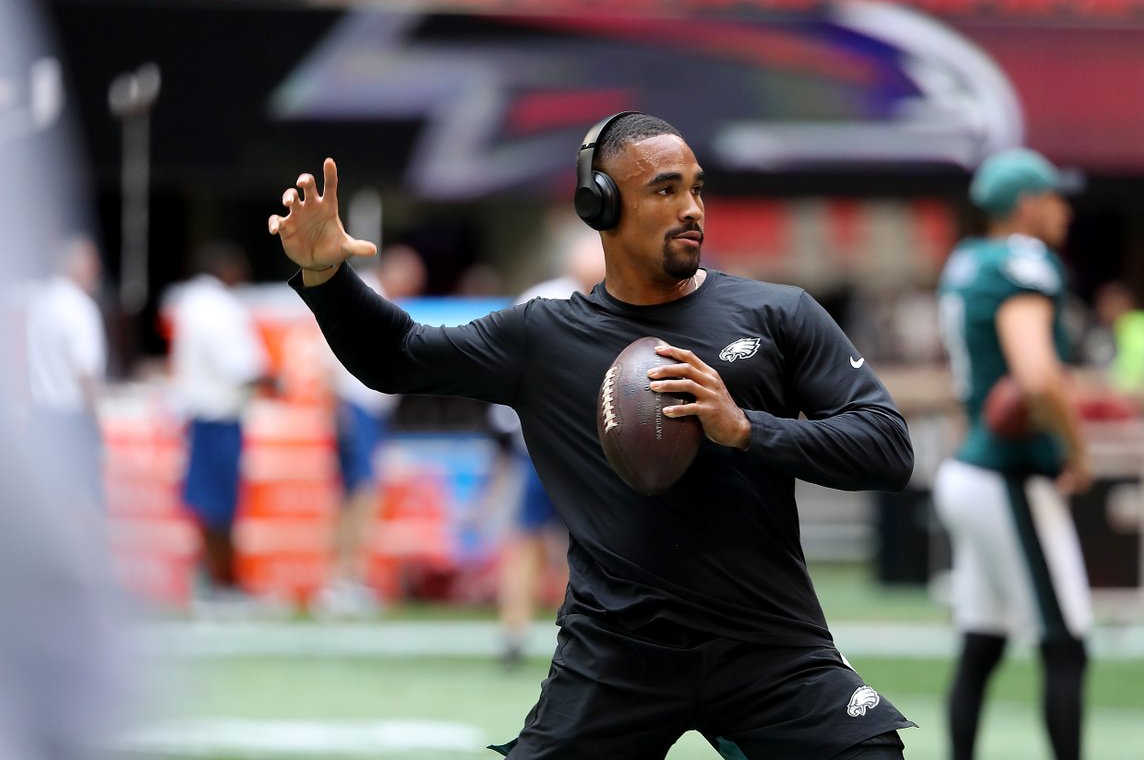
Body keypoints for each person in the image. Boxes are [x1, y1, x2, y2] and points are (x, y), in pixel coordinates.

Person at [268, 111, 916, 759]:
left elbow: (886, 448)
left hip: (769, 645)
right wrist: (327, 279)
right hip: (614, 656)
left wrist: (746, 428)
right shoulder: (541, 337)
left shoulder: (777, 313)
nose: (692, 208)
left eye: (697, 188)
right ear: (599, 203)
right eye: (665, 190)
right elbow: (397, 356)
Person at [933, 148, 1093, 760]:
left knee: (983, 640)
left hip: (971, 468)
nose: (1066, 210)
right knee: (1066, 643)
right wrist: (1077, 451)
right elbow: (1037, 375)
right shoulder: (1022, 262)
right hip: (1009, 472)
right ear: (1027, 204)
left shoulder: (968, 261)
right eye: (1055, 196)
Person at [487, 230, 606, 667]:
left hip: (597, 449)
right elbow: (509, 367)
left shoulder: (625, 301)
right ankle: (513, 632)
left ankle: (586, 635)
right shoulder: (543, 301)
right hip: (542, 443)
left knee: (591, 546)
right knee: (526, 538)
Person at [314, 244, 427, 618]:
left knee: (356, 494)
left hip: (369, 410)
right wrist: (337, 407)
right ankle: (343, 577)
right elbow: (331, 350)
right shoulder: (365, 294)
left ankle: (344, 578)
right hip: (355, 406)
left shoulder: (391, 303)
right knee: (361, 493)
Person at [168, 241, 270, 613]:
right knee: (220, 507)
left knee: (211, 505)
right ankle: (223, 584)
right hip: (219, 415)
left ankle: (214, 581)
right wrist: (274, 381)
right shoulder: (217, 307)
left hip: (201, 414)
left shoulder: (192, 303)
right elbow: (238, 365)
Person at [24, 234, 108, 502]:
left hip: (42, 416)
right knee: (83, 505)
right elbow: (85, 371)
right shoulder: (79, 307)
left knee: (48, 503)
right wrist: (94, 420)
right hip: (72, 419)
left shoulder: (40, 303)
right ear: (79, 267)